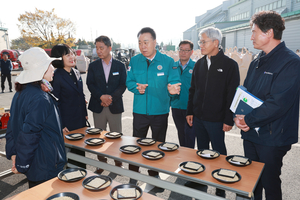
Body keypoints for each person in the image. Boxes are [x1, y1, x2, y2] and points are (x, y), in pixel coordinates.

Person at [234, 11, 300, 200]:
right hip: (251, 133)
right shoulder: (257, 60)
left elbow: (277, 103)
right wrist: (237, 115)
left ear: (269, 33)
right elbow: (245, 93)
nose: (251, 36)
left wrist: (248, 118)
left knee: (270, 183)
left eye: (254, 32)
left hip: (273, 137)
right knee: (252, 182)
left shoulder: (291, 63)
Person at [186, 27, 240, 197]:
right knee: (201, 150)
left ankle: (220, 185)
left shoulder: (230, 65)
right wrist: (190, 111)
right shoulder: (199, 64)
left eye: (203, 41)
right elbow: (193, 90)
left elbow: (232, 95)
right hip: (199, 118)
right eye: (200, 41)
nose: (200, 45)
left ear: (215, 43)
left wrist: (228, 119)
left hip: (217, 120)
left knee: (219, 152)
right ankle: (201, 181)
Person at [5, 47, 66, 188]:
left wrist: (14, 154)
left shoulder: (21, 93)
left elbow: (12, 126)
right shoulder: (40, 98)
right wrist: (21, 163)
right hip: (45, 163)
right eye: (49, 65)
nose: (53, 69)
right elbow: (30, 133)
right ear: (41, 70)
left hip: (36, 162)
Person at [126, 27, 181, 179]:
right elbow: (129, 81)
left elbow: (175, 80)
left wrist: (173, 88)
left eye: (146, 42)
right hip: (140, 111)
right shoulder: (135, 60)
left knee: (157, 145)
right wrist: (137, 88)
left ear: (155, 42)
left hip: (160, 111)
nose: (142, 46)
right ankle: (133, 173)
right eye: (139, 43)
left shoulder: (168, 61)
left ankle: (153, 173)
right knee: (136, 144)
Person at [87, 35, 127, 172]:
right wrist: (101, 97)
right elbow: (90, 84)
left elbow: (122, 85)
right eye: (97, 48)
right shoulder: (92, 66)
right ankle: (101, 163)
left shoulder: (120, 65)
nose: (98, 51)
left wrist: (110, 98)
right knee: (99, 136)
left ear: (110, 48)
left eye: (101, 48)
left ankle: (118, 162)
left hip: (114, 105)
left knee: (116, 136)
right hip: (98, 106)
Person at [51, 44, 88, 169]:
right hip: (67, 124)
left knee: (81, 154)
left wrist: (85, 113)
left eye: (72, 53)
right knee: (70, 159)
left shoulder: (76, 72)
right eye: (67, 55)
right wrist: (60, 124)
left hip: (80, 121)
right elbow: (54, 103)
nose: (72, 57)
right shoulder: (56, 76)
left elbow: (81, 95)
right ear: (59, 58)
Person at [170, 40, 195, 148]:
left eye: (186, 50)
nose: (183, 52)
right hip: (176, 106)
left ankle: (190, 161)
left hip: (190, 108)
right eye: (181, 50)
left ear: (191, 52)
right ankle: (184, 160)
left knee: (190, 136)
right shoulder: (172, 66)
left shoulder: (196, 66)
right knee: (181, 134)